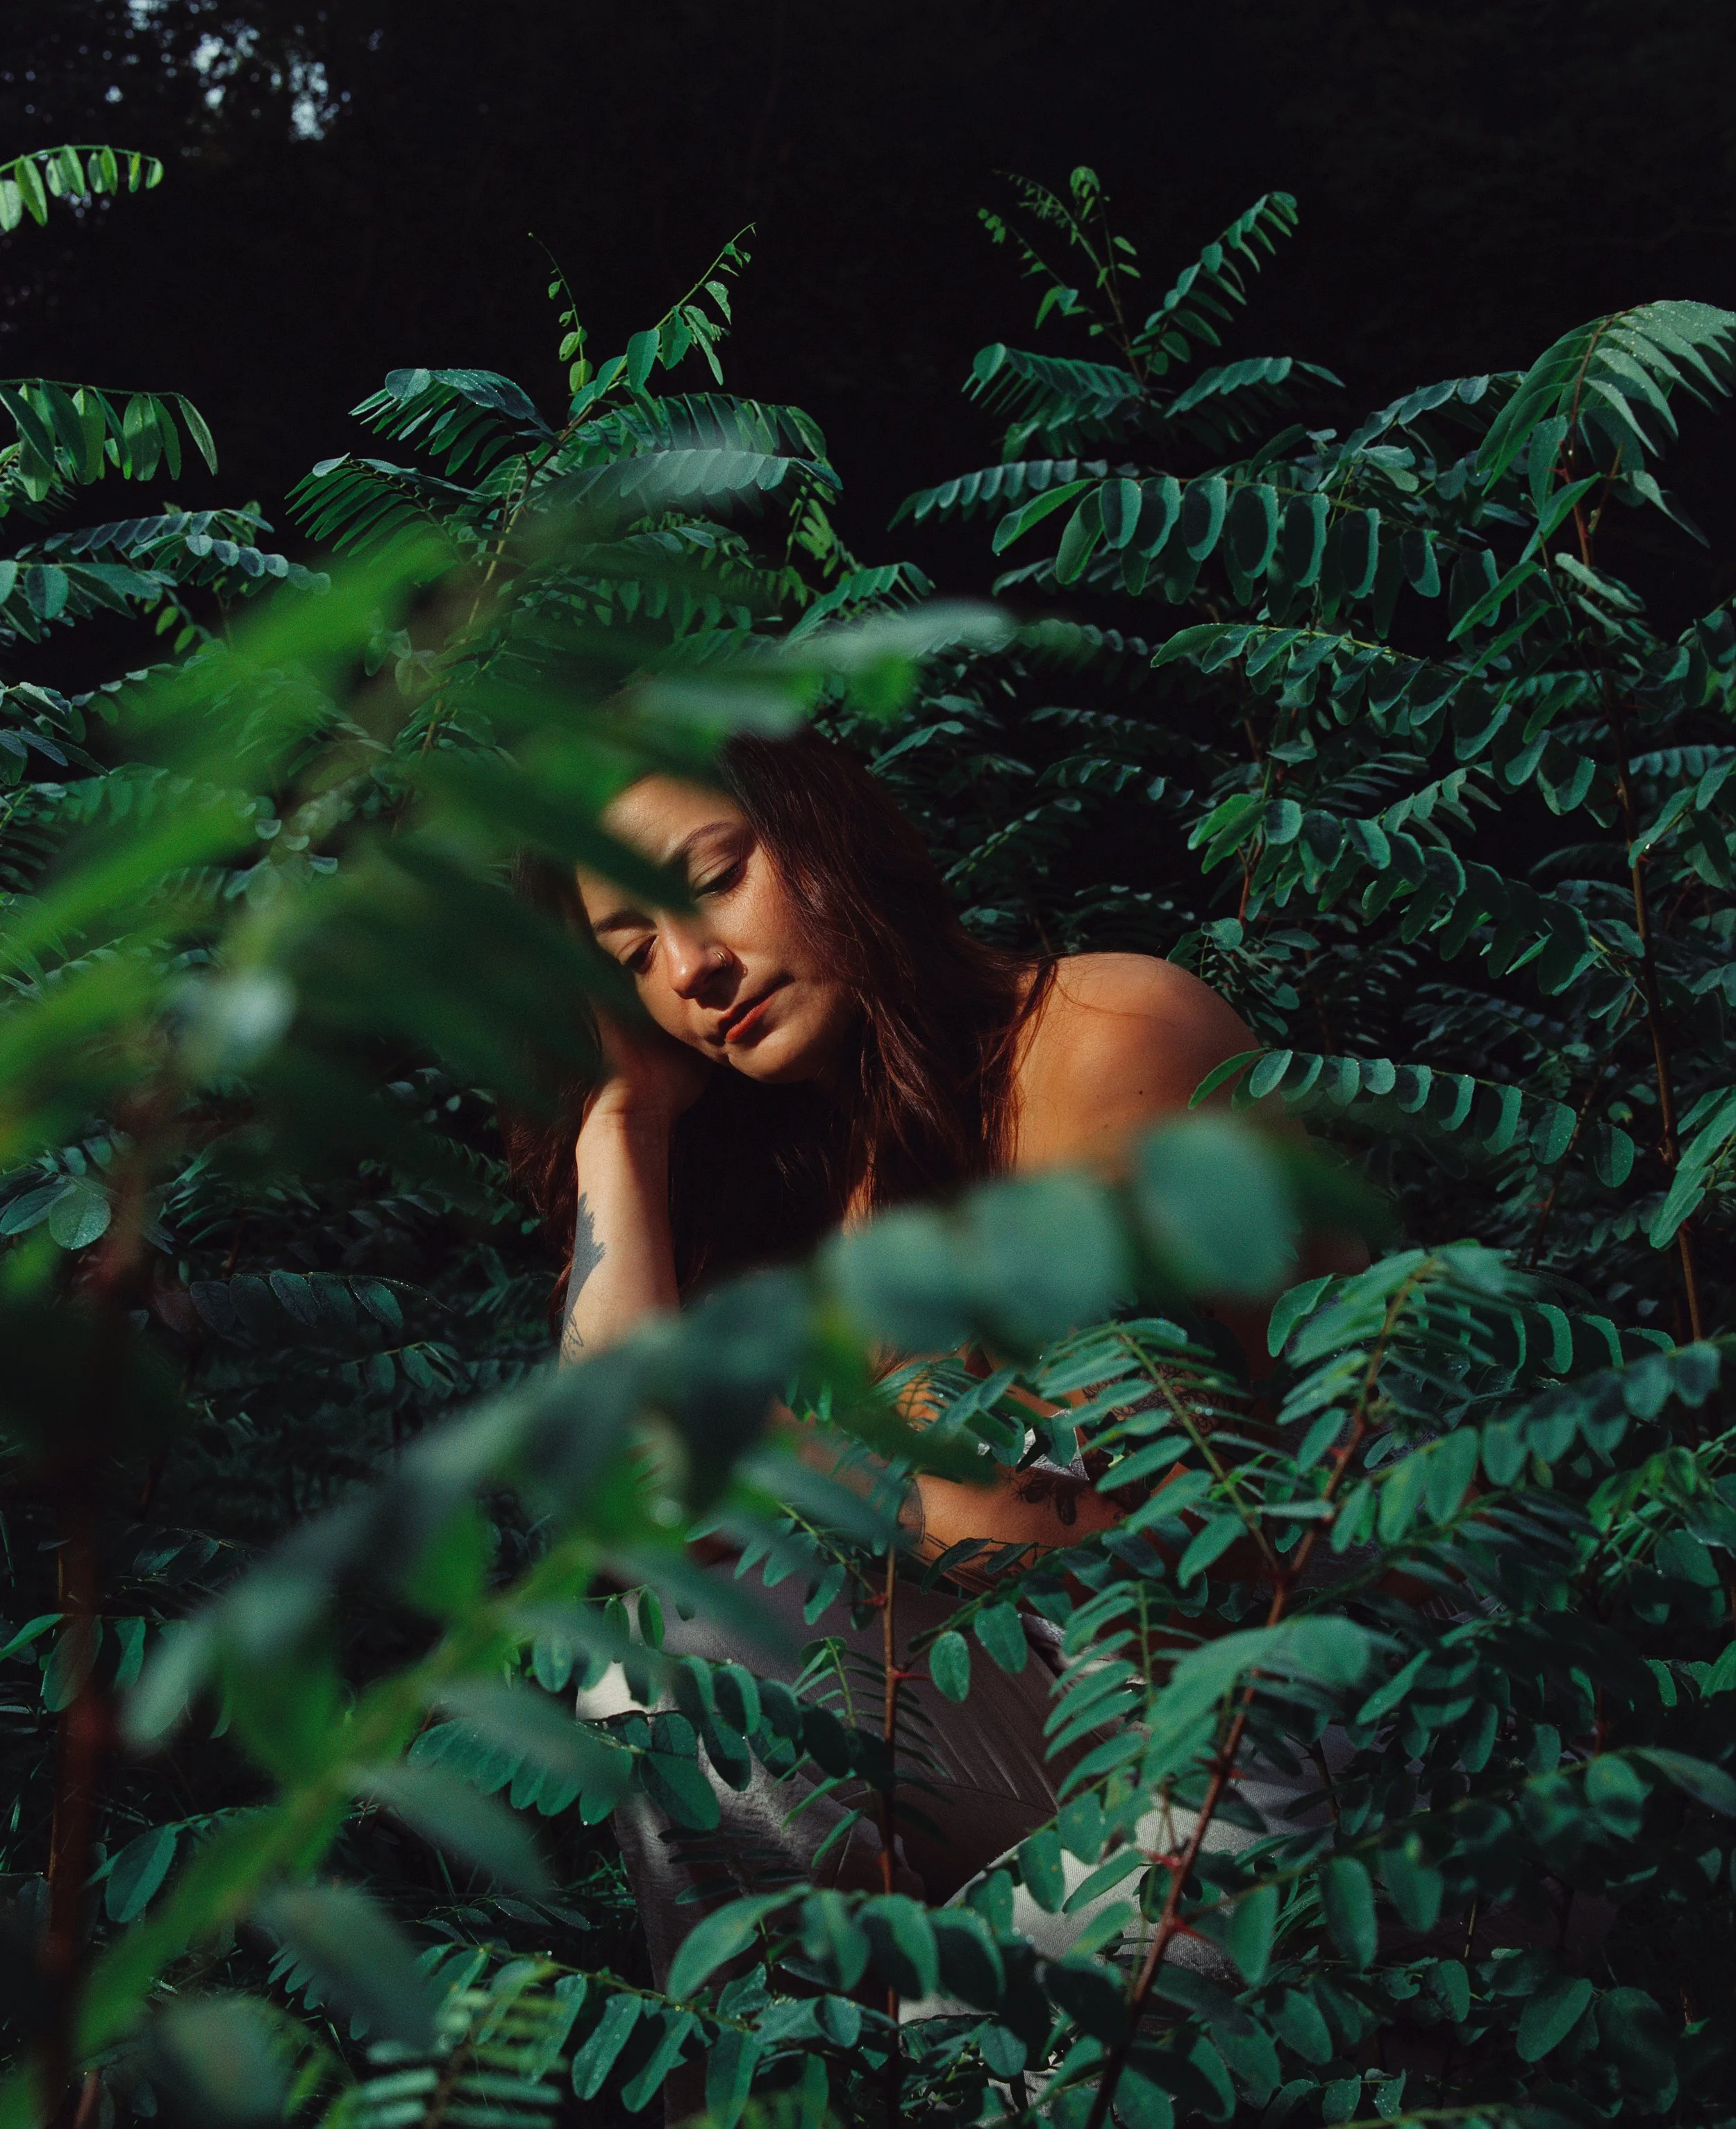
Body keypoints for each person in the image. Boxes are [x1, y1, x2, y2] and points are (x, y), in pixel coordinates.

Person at [506, 728, 1344, 1979]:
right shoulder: (789, 1188)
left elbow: (1152, 1538)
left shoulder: (1108, 1042)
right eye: (633, 956)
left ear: (830, 831)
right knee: (655, 1651)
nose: (691, 968)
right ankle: (792, 2054)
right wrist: (621, 1120)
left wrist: (791, 1461)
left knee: (973, 2029)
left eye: (715, 879)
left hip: (1312, 1710)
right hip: (1078, 1716)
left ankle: (901, 2032)